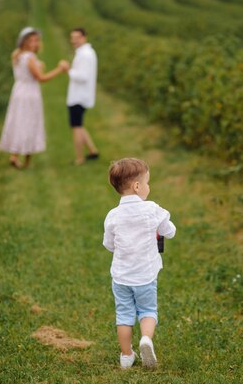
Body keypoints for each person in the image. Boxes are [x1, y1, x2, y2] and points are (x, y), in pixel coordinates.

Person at [103, 158, 177, 369]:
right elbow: (170, 231)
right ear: (137, 187)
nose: (148, 187)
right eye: (147, 182)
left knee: (124, 314)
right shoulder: (152, 209)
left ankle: (126, 356)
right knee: (147, 310)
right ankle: (146, 339)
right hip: (145, 276)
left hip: (121, 277)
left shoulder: (113, 216)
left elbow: (109, 244)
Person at [0, 27, 69, 169]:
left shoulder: (18, 56)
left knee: (18, 121)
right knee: (29, 122)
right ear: (24, 41)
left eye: (36, 40)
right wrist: (59, 70)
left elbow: (28, 73)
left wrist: (39, 65)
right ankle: (26, 160)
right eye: (31, 40)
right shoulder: (29, 57)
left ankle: (14, 155)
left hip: (18, 91)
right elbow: (41, 78)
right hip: (29, 93)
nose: (34, 42)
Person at [66, 28, 99, 165]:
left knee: (77, 127)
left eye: (77, 37)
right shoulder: (85, 53)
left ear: (84, 37)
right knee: (79, 125)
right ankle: (92, 150)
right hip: (81, 95)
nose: (74, 40)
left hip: (79, 96)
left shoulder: (85, 55)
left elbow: (83, 77)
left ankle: (79, 158)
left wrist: (67, 70)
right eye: (72, 37)